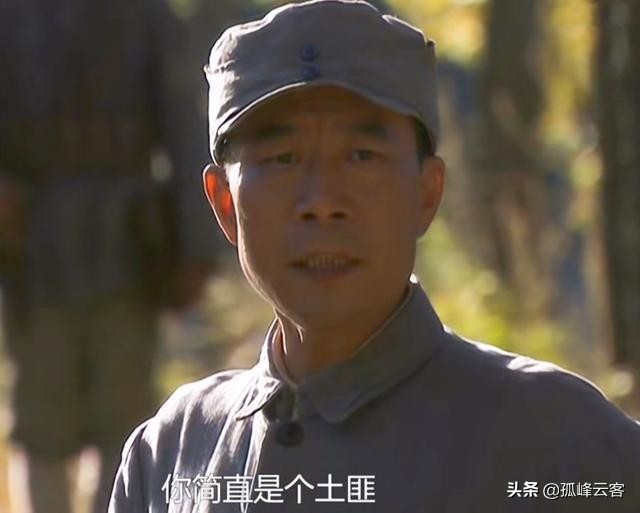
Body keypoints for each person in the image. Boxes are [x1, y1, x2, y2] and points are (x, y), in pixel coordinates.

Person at [108, 1, 640, 511]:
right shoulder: (173, 453)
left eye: (362, 156)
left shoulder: (556, 442)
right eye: (282, 158)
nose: (322, 202)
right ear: (225, 203)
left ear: (427, 193)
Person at [0, 0, 232, 512]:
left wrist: (197, 245)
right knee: (41, 425)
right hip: (35, 253)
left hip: (128, 249)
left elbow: (184, 124)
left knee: (124, 422)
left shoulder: (144, 14)